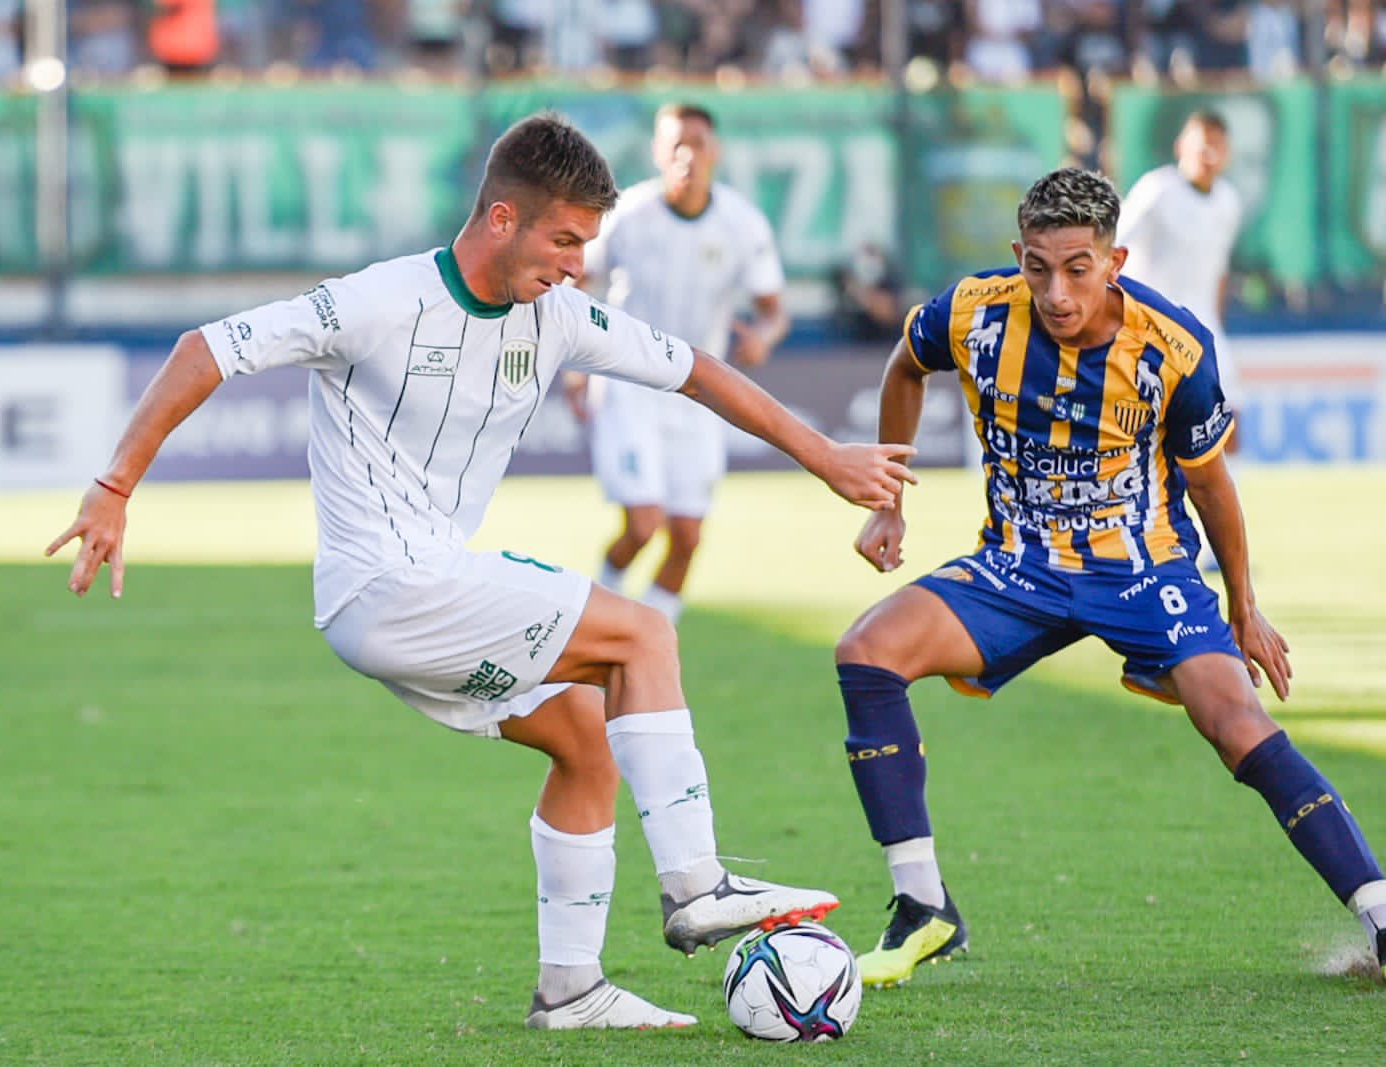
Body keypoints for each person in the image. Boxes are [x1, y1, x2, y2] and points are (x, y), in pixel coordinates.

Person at [47, 114, 918, 1029]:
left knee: (584, 736)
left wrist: (824, 456)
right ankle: (696, 884)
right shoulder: (380, 301)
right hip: (391, 587)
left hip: (413, 595)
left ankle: (571, 988)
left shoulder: (558, 316)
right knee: (643, 631)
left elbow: (698, 370)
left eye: (587, 242)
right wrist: (114, 486)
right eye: (565, 239)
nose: (579, 263)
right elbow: (206, 349)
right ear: (502, 219)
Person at [831, 167, 1386, 989]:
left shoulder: (1173, 346)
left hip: (1144, 568)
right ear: (1019, 254)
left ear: (1115, 260)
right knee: (866, 653)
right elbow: (905, 365)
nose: (1056, 291)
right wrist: (889, 499)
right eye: (1038, 267)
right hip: (1017, 563)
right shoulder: (977, 313)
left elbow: (1211, 486)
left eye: (1077, 269)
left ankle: (1378, 909)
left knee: (1235, 721)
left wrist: (1245, 607)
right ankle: (924, 908)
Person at [565, 102, 790, 624]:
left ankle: (651, 636)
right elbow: (579, 287)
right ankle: (600, 614)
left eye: (698, 143)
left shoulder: (743, 223)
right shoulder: (627, 214)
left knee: (687, 537)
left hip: (699, 392)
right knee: (644, 525)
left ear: (717, 151)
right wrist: (575, 368)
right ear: (658, 152)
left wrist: (762, 338)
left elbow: (773, 312)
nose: (687, 154)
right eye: (676, 144)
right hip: (627, 383)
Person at [1117, 110, 1243, 448]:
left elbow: (1219, 271)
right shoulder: (1156, 190)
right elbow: (1113, 249)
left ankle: (1228, 499)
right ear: (1180, 147)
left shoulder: (1229, 202)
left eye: (1217, 146)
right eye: (1203, 145)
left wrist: (1218, 322)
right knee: (1149, 428)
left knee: (1229, 421)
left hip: (1204, 325)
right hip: (1153, 325)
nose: (1210, 154)